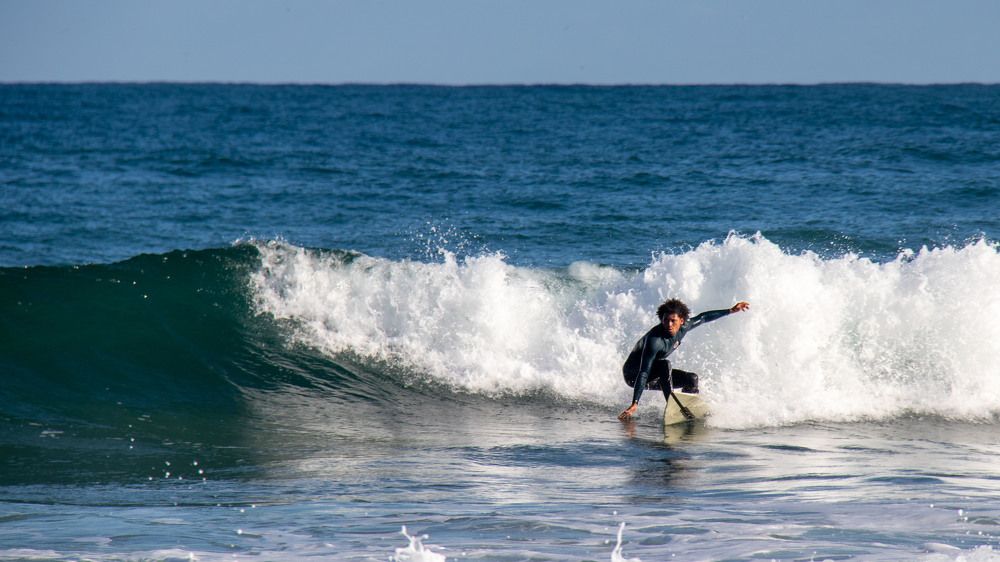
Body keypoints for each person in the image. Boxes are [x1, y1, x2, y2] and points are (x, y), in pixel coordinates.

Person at [617, 298, 750, 421]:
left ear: (681, 321)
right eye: (665, 320)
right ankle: (673, 405)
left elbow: (703, 318)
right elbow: (644, 372)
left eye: (673, 321)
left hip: (655, 373)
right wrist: (635, 403)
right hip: (634, 375)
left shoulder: (684, 327)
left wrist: (731, 310)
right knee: (665, 365)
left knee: (692, 379)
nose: (669, 324)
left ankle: (689, 408)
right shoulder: (654, 341)